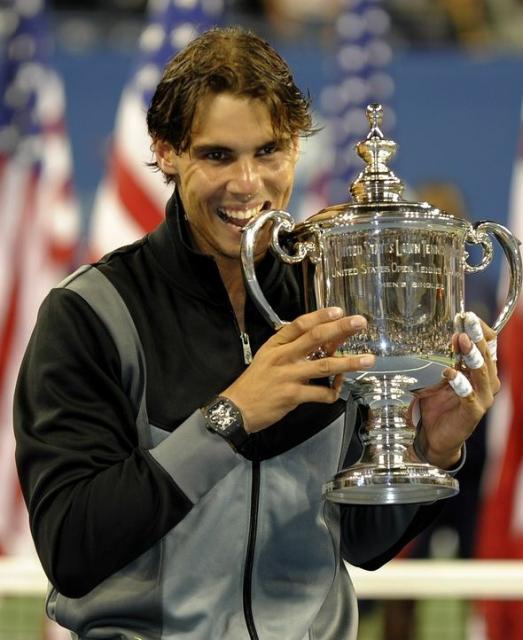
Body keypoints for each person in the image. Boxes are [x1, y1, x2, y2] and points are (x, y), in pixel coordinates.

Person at [14, 26, 499, 640]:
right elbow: (71, 547)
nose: (247, 184)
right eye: (218, 155)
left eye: (268, 152)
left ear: (297, 148)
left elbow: (363, 544)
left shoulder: (330, 295)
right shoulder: (89, 314)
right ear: (166, 152)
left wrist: (430, 448)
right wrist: (230, 417)